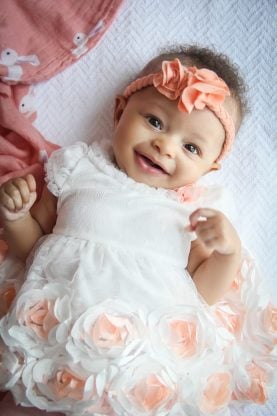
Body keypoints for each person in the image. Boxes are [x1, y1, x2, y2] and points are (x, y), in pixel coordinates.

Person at [0, 45, 275, 416]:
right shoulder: (78, 168)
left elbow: (202, 295)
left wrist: (228, 252)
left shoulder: (192, 212)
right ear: (119, 111)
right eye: (155, 122)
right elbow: (32, 251)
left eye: (191, 147)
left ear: (210, 168)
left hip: (139, 371)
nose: (165, 145)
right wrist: (15, 218)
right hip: (54, 343)